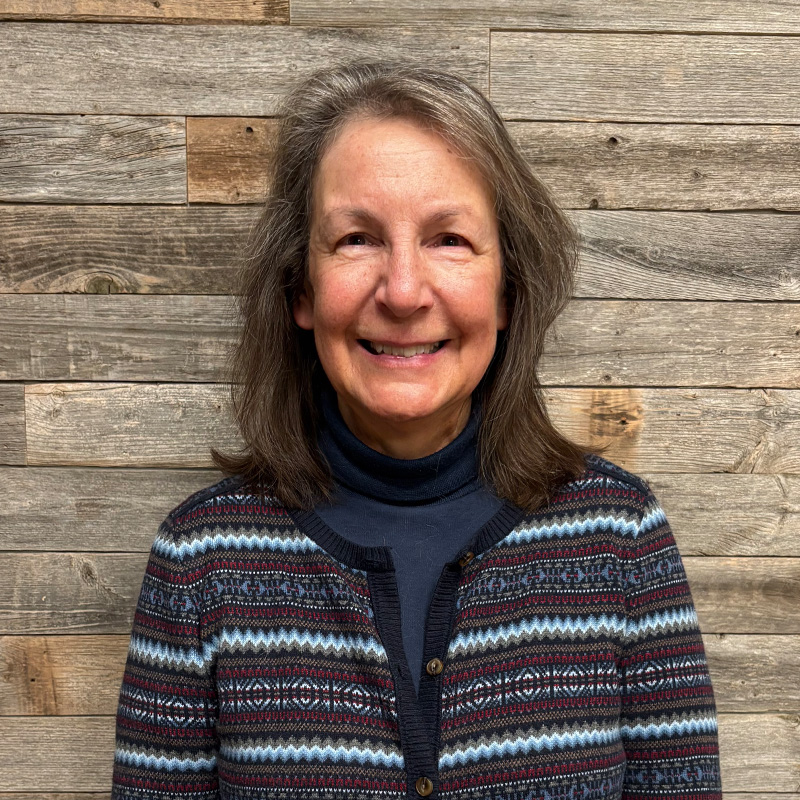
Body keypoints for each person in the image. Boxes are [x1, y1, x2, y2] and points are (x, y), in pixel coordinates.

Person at [111, 60, 722, 800]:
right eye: (357, 239)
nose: (403, 292)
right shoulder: (200, 561)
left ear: (507, 290)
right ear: (301, 288)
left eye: (450, 239)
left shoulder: (620, 538)